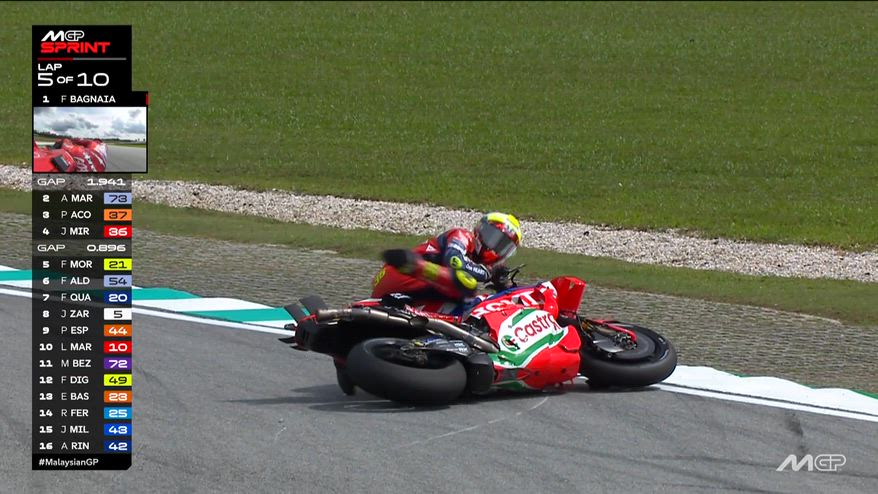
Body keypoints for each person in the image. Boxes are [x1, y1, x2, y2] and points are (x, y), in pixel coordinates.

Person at [371, 212, 523, 303]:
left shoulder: (485, 265)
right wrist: (486, 273)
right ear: (481, 229)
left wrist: (505, 285)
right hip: (399, 270)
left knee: (474, 298)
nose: (494, 248)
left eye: (503, 246)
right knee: (467, 285)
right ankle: (417, 266)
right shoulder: (462, 235)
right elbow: (455, 261)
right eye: (493, 237)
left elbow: (511, 295)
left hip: (414, 294)